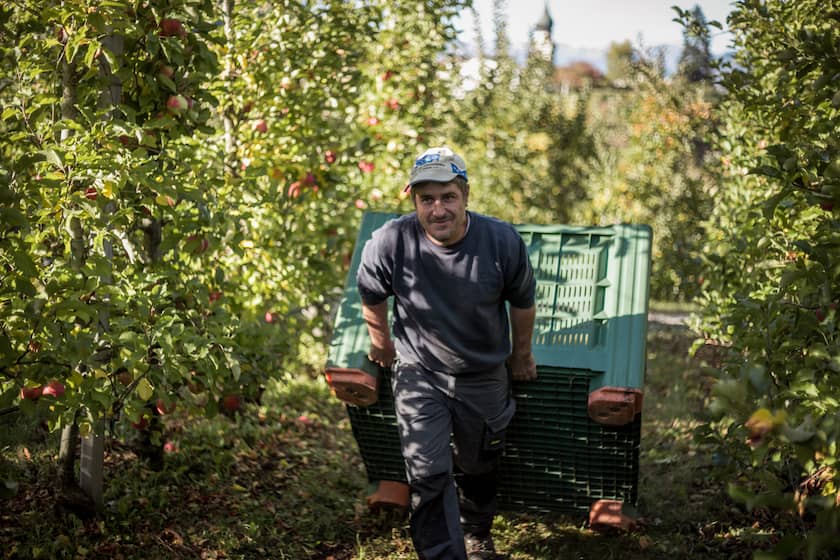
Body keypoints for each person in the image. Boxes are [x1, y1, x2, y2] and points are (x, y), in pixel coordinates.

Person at [356, 146, 537, 560]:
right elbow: (370, 293)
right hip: (420, 372)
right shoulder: (391, 241)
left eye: (448, 196)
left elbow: (522, 302)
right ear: (414, 201)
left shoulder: (500, 240)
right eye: (427, 199)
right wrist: (381, 341)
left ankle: (475, 532)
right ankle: (442, 553)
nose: (438, 209)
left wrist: (521, 356)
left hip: (483, 371)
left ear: (466, 195)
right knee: (427, 471)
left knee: (478, 465)